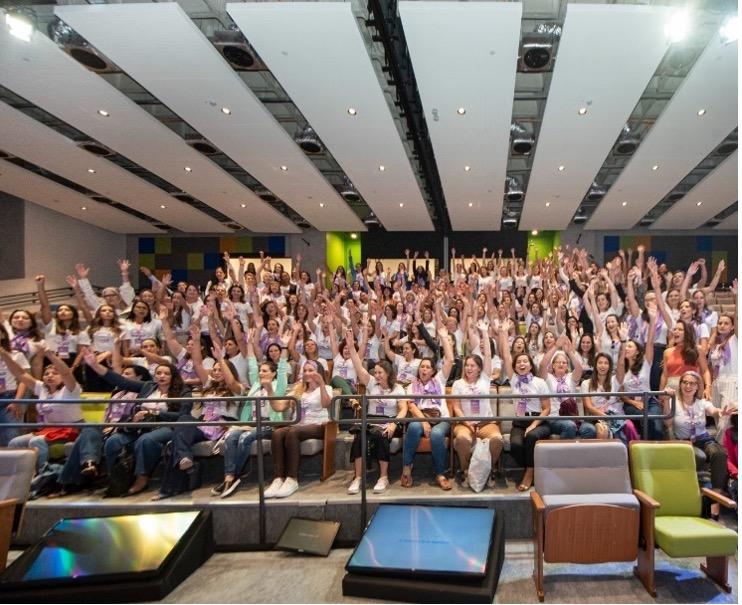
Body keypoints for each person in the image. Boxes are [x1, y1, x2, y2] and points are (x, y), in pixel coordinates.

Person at [88, 359, 191, 495]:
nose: (161, 376)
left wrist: (156, 413)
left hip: (166, 426)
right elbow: (120, 381)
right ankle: (115, 478)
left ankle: (142, 478)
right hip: (141, 425)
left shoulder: (184, 391)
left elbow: (182, 415)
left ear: (173, 376)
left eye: (166, 373)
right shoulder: (148, 386)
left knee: (145, 440)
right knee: (114, 441)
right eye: (158, 373)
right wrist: (95, 365)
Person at [51, 360, 151, 496]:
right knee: (89, 428)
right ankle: (89, 464)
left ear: (139, 377)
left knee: (86, 439)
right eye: (122, 373)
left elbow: (137, 416)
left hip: (127, 429)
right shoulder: (117, 393)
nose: (123, 376)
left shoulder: (143, 392)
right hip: (107, 427)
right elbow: (107, 415)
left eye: (127, 374)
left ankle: (69, 483)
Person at [213, 328, 289, 499]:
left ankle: (234, 476)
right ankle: (229, 477)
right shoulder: (255, 385)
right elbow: (252, 362)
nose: (261, 373)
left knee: (245, 438)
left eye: (265, 371)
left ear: (273, 373)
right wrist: (248, 343)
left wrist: (283, 347)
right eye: (260, 371)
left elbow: (283, 367)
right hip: (250, 423)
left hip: (269, 425)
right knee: (232, 436)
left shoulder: (280, 384)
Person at [344, 327, 406, 494]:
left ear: (388, 373)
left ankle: (383, 477)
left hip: (389, 420)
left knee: (382, 435)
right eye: (375, 372)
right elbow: (358, 367)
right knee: (359, 437)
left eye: (380, 372)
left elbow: (403, 409)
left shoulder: (398, 389)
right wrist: (351, 348)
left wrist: (394, 423)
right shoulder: (371, 383)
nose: (377, 375)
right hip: (371, 418)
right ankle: (358, 477)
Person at [663, 371, 732, 519]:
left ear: (697, 387)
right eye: (685, 382)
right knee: (699, 456)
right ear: (680, 384)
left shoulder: (702, 403)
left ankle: (716, 498)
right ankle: (697, 500)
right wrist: (665, 401)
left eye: (692, 383)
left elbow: (713, 411)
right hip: (684, 441)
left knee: (719, 453)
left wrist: (721, 412)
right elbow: (667, 423)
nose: (688, 386)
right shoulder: (672, 401)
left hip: (703, 439)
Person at [3, 346, 84, 472]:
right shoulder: (42, 388)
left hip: (70, 429)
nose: (50, 376)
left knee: (36, 441)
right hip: (48, 430)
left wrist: (50, 356)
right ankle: (19, 476)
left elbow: (66, 372)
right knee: (15, 442)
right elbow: (20, 374)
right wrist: (3, 354)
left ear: (62, 377)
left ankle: (44, 475)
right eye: (46, 374)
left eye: (55, 373)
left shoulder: (71, 388)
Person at [263, 361, 333, 499]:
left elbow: (326, 403)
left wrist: (322, 383)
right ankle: (278, 478)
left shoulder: (327, 388)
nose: (307, 373)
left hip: (319, 425)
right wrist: (270, 390)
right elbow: (279, 407)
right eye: (305, 370)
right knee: (277, 433)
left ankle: (292, 479)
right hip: (298, 425)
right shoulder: (298, 389)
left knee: (292, 432)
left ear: (318, 372)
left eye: (311, 370)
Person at [400, 325, 454, 490]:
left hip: (441, 419)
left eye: (427, 367)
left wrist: (444, 337)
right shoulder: (412, 385)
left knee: (437, 435)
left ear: (433, 371)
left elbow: (450, 360)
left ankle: (440, 474)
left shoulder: (439, 381)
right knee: (415, 427)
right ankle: (407, 468)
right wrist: (423, 421)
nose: (424, 369)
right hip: (421, 417)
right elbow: (411, 406)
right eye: (422, 367)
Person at [497, 324, 550, 491]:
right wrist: (504, 334)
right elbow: (506, 355)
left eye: (525, 361)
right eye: (518, 362)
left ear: (530, 365)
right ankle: (531, 467)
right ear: (515, 367)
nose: (521, 364)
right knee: (516, 445)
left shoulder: (540, 382)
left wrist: (534, 424)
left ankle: (529, 472)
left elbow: (547, 408)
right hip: (519, 421)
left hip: (539, 421)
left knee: (532, 437)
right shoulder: (514, 381)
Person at [451, 326, 503, 489]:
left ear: (479, 368)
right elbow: (456, 407)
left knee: (497, 440)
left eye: (473, 365)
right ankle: (466, 471)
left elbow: (488, 355)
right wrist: (467, 423)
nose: (468, 368)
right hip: (465, 423)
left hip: (486, 423)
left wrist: (485, 333)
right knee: (462, 439)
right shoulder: (458, 384)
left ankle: (490, 469)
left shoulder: (485, 380)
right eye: (467, 365)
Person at [616, 311, 663, 440]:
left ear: (637, 352)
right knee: (646, 420)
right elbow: (620, 393)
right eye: (626, 347)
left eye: (630, 347)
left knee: (657, 425)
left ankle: (657, 452)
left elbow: (649, 342)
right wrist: (624, 341)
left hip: (649, 400)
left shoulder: (646, 363)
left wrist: (653, 321)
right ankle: (645, 451)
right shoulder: (622, 368)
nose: (626, 349)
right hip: (631, 403)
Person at [538, 335, 585, 438]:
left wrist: (569, 352)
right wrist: (555, 346)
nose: (561, 364)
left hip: (572, 416)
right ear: (553, 365)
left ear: (566, 366)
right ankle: (563, 453)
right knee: (569, 426)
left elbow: (579, 369)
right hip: (554, 418)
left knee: (590, 430)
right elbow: (542, 366)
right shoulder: (548, 378)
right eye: (558, 362)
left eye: (564, 362)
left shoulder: (570, 378)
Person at [0, 324, 29, 446]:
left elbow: (24, 379)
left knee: (12, 436)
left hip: (9, 398)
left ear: (2, 334)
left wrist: (17, 401)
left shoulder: (17, 354)